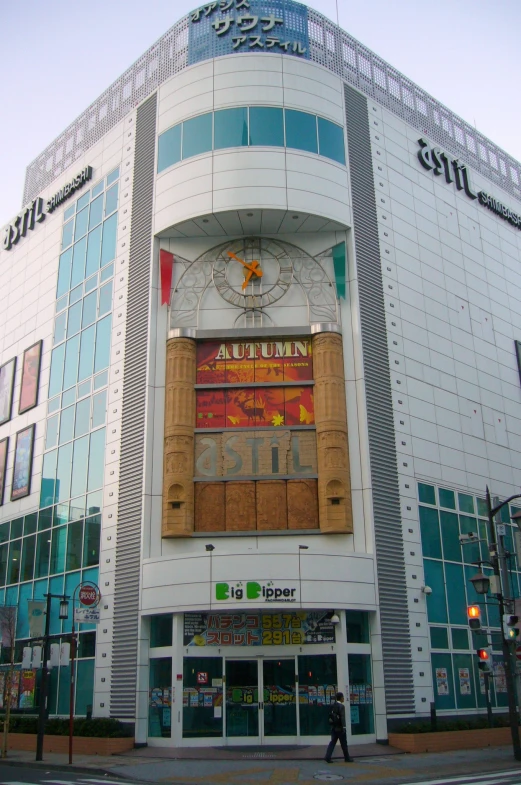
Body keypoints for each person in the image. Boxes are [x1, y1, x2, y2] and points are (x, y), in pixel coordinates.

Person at [324, 692, 354, 763]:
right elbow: (342, 717)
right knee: (344, 743)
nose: (343, 698)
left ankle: (327, 757)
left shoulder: (333, 705)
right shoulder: (341, 706)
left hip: (333, 727)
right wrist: (344, 727)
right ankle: (347, 758)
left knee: (332, 742)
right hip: (340, 728)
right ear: (340, 698)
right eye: (343, 697)